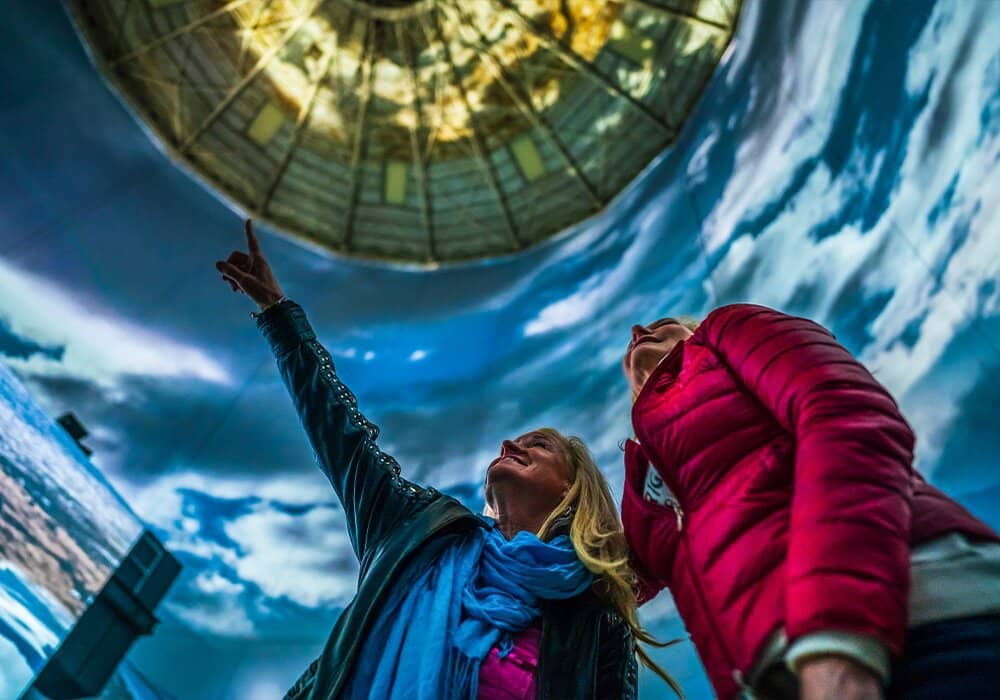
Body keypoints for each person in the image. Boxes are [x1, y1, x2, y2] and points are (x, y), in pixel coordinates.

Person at [215, 220, 678, 700]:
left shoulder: (596, 622)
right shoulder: (419, 531)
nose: (510, 445)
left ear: (572, 488)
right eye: (514, 441)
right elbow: (341, 436)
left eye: (539, 444)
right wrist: (277, 312)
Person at [618, 304, 1000, 700]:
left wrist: (837, 641)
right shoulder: (643, 479)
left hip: (920, 622)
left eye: (664, 324)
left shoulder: (725, 333)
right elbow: (607, 580)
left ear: (691, 331)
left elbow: (844, 414)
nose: (638, 328)